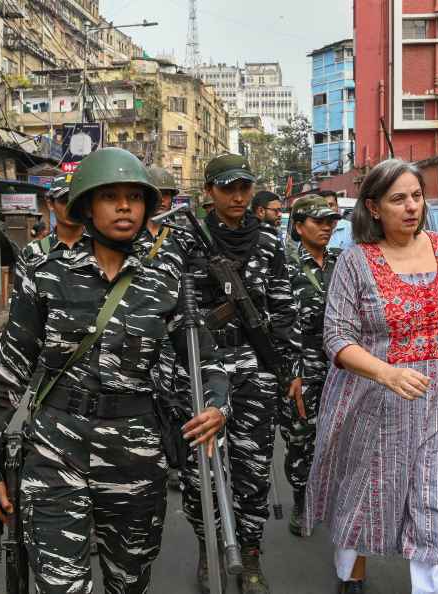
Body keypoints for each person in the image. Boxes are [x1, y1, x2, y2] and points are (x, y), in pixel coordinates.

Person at [0, 148, 228, 594]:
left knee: (129, 580)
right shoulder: (46, 272)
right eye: (110, 196)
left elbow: (203, 357)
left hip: (137, 454)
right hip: (55, 450)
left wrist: (217, 405)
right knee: (60, 585)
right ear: (87, 205)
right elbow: (9, 368)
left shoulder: (166, 273)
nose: (124, 206)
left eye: (134, 196)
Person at [306, 159, 438, 594]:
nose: (411, 207)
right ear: (374, 207)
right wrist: (386, 374)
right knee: (364, 495)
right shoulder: (355, 261)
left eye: (416, 196)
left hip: (435, 402)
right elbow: (337, 338)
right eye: (398, 199)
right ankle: (352, 576)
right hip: (370, 402)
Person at [180, 153, 302, 594]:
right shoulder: (185, 240)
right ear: (209, 191)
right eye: (227, 187)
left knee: (251, 470)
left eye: (244, 187)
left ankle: (249, 553)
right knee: (202, 473)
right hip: (199, 368)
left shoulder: (269, 242)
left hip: (256, 369)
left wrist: (289, 369)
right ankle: (209, 548)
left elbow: (285, 308)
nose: (237, 196)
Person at [280, 195, 341, 537]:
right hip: (302, 371)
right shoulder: (284, 264)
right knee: (301, 439)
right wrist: (292, 373)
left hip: (341, 369)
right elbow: (277, 323)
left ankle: (329, 497)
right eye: (319, 222)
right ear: (300, 226)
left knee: (337, 437)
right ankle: (302, 499)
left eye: (331, 221)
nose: (327, 228)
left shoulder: (340, 262)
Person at [143, 165, 185, 491]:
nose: (161, 203)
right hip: (141, 332)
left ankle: (176, 461)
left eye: (166, 196)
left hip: (178, 332)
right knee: (146, 399)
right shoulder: (127, 237)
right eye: (155, 197)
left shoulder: (184, 237)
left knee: (176, 400)